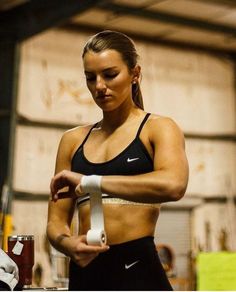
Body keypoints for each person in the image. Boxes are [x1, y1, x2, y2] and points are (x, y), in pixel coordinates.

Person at [46, 30, 189, 291]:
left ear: (135, 74)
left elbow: (174, 185)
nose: (99, 86)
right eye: (91, 78)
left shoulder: (157, 128)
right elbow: (56, 222)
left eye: (110, 75)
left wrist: (91, 181)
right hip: (85, 274)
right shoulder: (73, 140)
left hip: (138, 272)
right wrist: (67, 244)